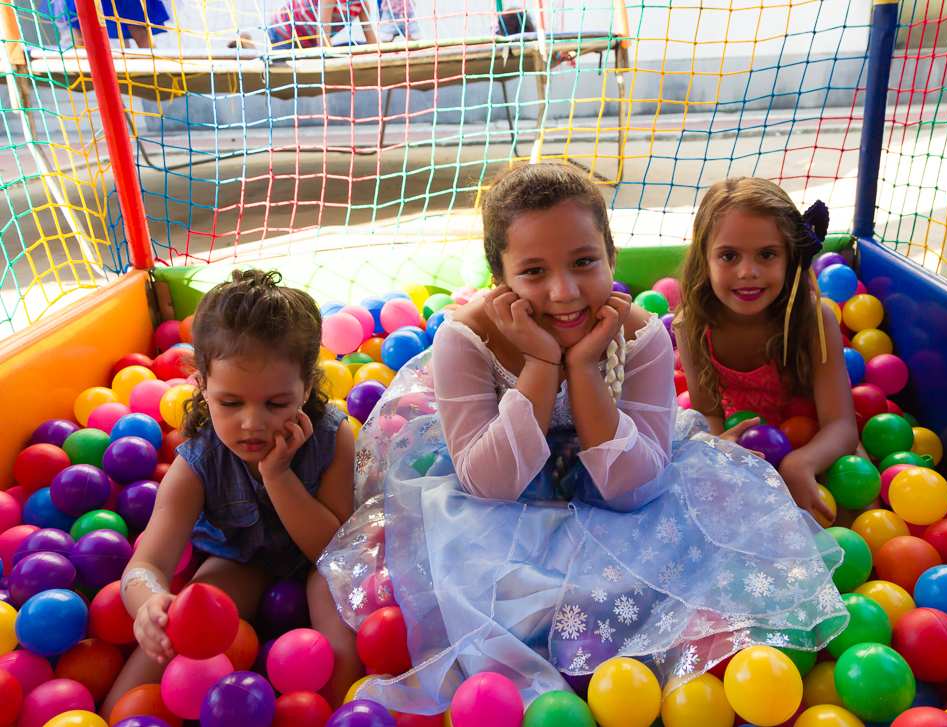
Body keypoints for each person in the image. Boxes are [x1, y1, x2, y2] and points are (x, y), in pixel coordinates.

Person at [317, 164, 848, 716]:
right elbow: (489, 484)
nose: (563, 292)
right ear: (500, 279)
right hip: (502, 504)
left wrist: (587, 371)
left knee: (689, 570)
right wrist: (544, 365)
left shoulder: (640, 333)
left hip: (618, 496)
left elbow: (633, 491)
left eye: (584, 262)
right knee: (504, 605)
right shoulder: (466, 340)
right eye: (533, 271)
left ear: (612, 258)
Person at [100, 269, 363, 719]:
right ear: (201, 384)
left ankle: (338, 713)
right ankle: (111, 716)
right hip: (238, 560)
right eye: (231, 402)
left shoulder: (333, 438)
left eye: (277, 403)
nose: (253, 423)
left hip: (318, 562)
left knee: (339, 623)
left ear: (306, 384)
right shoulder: (196, 464)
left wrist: (278, 478)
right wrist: (149, 606)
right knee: (184, 623)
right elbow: (147, 564)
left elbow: (333, 551)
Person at [674, 177, 859, 523]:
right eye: (729, 256)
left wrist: (799, 461)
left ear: (790, 257)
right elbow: (710, 414)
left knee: (853, 500)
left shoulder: (814, 319)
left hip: (817, 440)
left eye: (767, 254)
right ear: (705, 258)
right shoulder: (692, 325)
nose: (748, 272)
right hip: (748, 443)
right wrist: (720, 444)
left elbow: (842, 426)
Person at [268, 0, 377, 50]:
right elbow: (323, 41)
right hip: (283, 32)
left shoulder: (361, 5)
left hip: (306, 42)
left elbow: (372, 43)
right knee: (281, 73)